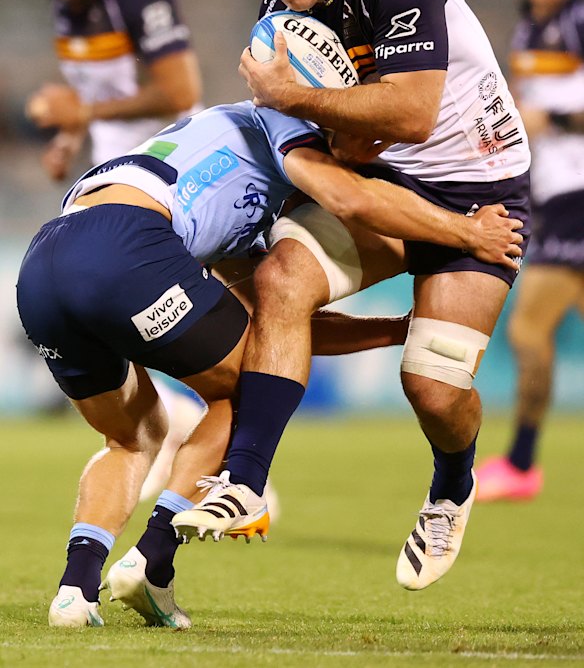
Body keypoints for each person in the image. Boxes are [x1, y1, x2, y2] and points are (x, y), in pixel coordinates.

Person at [16, 98, 521, 628]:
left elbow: (275, 329)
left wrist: (394, 330)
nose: (373, 148)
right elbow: (351, 200)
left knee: (131, 438)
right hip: (126, 246)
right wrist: (467, 232)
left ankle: (75, 591)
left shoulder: (225, 167)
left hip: (45, 263)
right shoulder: (290, 124)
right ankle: (153, 558)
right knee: (248, 395)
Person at [173, 0, 532, 593]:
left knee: (433, 389)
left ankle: (452, 487)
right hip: (387, 181)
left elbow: (412, 114)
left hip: (481, 188)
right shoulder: (282, 14)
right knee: (279, 278)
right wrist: (331, 137)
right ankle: (244, 484)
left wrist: (291, 95)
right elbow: (337, 136)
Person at [476, 0, 584, 501]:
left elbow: (551, 114)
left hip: (578, 196)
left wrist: (556, 119)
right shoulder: (530, 30)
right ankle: (522, 463)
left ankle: (521, 464)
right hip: (555, 196)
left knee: (528, 328)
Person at [26, 0, 202, 180]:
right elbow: (95, 91)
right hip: (114, 164)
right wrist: (68, 139)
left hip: (172, 162)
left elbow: (180, 93)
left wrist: (82, 112)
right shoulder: (64, 6)